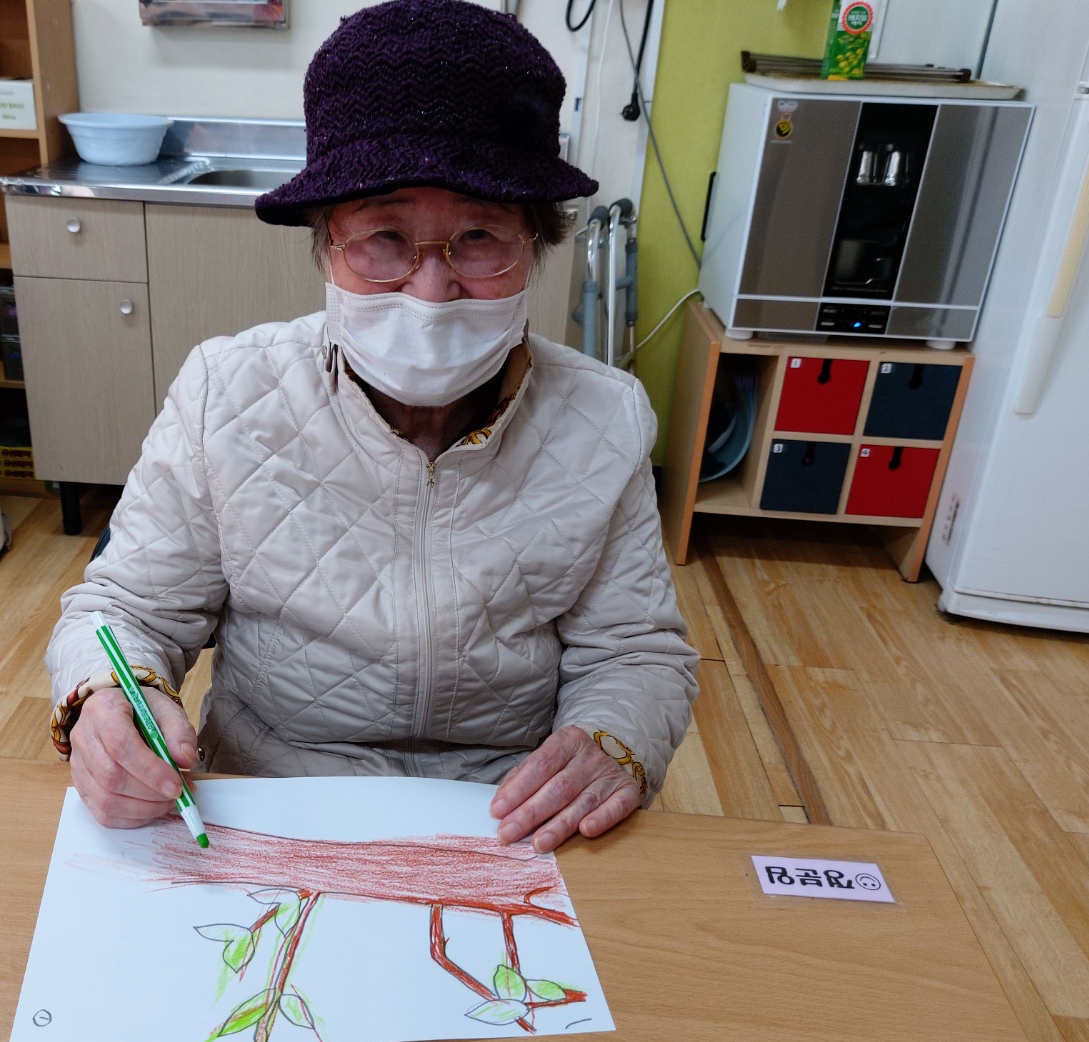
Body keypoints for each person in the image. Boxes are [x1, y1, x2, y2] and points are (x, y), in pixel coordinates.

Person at [45, 0, 698, 853]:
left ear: (535, 246)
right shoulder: (226, 392)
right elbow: (127, 607)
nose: (430, 291)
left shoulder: (603, 418)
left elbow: (636, 652)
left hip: (506, 816)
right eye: (384, 237)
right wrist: (106, 696)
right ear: (325, 246)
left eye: (479, 237)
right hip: (269, 799)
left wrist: (614, 740)